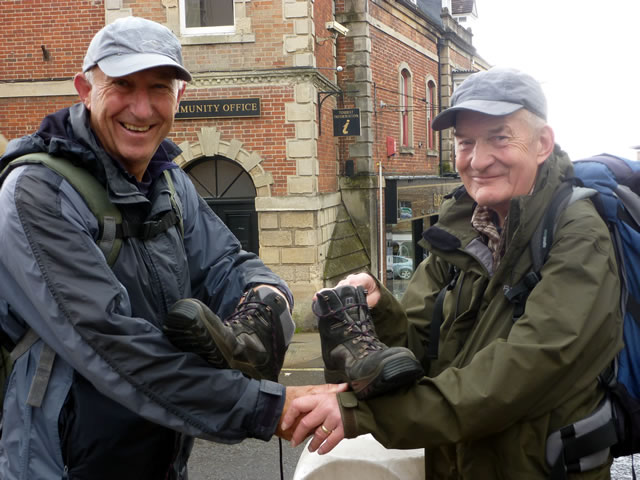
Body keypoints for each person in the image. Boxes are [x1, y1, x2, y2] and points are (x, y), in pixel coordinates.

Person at [0, 16, 343, 480]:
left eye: (159, 88)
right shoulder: (36, 194)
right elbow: (108, 343)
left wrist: (266, 299)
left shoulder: (170, 183)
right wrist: (269, 407)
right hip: (60, 467)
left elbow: (229, 263)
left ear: (179, 96)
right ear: (85, 88)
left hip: (160, 458)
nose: (141, 109)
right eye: (122, 85)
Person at [281, 67, 624, 478]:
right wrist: (381, 308)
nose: (478, 160)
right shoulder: (460, 232)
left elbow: (517, 377)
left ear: (542, 144)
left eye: (499, 137)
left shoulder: (580, 235)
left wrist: (361, 414)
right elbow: (419, 349)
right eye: (466, 143)